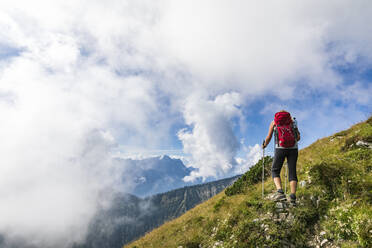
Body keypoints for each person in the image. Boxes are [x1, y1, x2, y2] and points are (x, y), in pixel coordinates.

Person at [262, 110, 300, 205]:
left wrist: (264, 145)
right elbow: (298, 137)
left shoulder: (274, 122)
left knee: (275, 170)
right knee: (292, 171)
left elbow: (269, 137)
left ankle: (280, 192)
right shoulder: (293, 121)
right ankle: (293, 196)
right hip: (293, 149)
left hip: (280, 148)